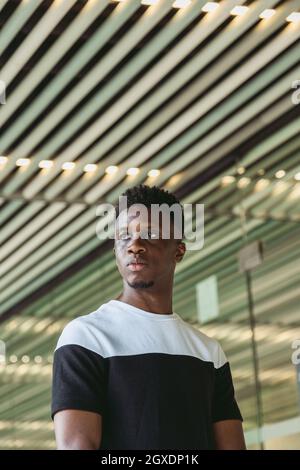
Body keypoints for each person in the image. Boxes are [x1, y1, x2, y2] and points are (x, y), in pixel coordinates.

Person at [51, 184, 246, 450]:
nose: (134, 246)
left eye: (151, 234)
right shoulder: (87, 337)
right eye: (124, 236)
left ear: (178, 250)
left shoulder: (208, 353)